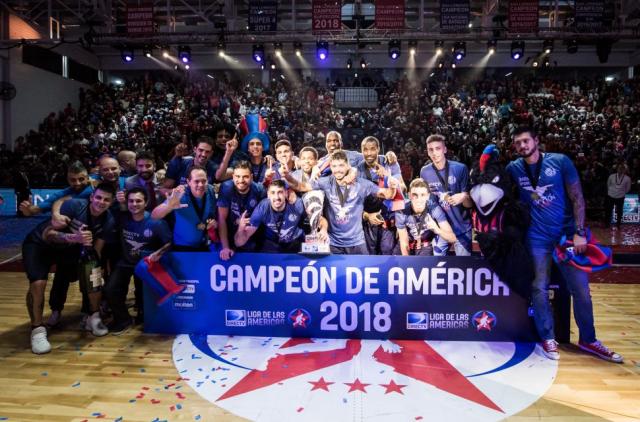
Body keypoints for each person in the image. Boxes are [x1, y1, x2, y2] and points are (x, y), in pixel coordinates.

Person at [507, 126, 623, 363]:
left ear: (536, 140)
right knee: (539, 288)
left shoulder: (560, 162)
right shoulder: (513, 168)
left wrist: (580, 232)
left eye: (526, 141)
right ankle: (548, 338)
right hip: (536, 239)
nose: (522, 146)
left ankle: (589, 339)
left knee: (581, 290)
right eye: (517, 143)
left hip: (566, 237)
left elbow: (577, 197)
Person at [24, 182, 116, 354]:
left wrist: (98, 272)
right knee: (38, 284)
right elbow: (48, 234)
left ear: (111, 203)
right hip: (39, 245)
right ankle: (37, 330)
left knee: (93, 272)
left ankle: (94, 317)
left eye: (106, 200)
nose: (101, 202)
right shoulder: (75, 206)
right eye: (98, 197)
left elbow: (96, 250)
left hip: (68, 250)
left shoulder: (109, 220)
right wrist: (74, 238)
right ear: (91, 197)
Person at [284, 150, 398, 255]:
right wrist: (287, 176)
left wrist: (392, 187)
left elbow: (388, 194)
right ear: (331, 167)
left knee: (363, 270)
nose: (337, 169)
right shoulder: (325, 183)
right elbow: (301, 186)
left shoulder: (362, 184)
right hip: (333, 243)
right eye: (334, 166)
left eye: (341, 165)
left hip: (357, 242)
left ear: (348, 166)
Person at [105, 187, 172, 334]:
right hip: (125, 262)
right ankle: (123, 319)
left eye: (138, 201)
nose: (134, 204)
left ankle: (142, 314)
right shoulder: (122, 218)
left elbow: (169, 243)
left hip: (145, 265)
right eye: (131, 201)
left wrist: (158, 253)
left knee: (143, 297)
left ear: (146, 202)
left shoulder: (156, 222)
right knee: (111, 289)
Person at [235, 180, 328, 253]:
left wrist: (323, 230)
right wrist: (240, 229)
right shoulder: (263, 207)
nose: (277, 197)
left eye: (280, 192)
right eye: (273, 193)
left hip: (294, 242)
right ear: (268, 195)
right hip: (271, 244)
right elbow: (239, 243)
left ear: (286, 193)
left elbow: (319, 219)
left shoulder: (297, 204)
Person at [419, 134, 473, 256]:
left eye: (438, 148)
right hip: (440, 227)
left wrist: (464, 196)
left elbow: (469, 204)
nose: (434, 153)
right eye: (431, 150)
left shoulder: (460, 169)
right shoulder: (424, 171)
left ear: (445, 149)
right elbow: (426, 200)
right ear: (427, 152)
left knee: (462, 265)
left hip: (461, 228)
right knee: (437, 264)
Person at [357, 136, 405, 255]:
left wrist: (388, 177)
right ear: (361, 151)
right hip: (369, 220)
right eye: (365, 149)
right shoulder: (358, 170)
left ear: (378, 149)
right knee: (370, 256)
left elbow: (403, 187)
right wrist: (366, 215)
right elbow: (354, 200)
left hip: (388, 220)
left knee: (387, 253)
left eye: (372, 149)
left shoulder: (389, 162)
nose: (369, 153)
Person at [152, 166, 217, 252]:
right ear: (188, 182)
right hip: (182, 247)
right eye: (196, 181)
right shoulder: (180, 194)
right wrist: (168, 206)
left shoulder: (210, 190)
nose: (201, 184)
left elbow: (212, 214)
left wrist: (213, 223)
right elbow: (154, 216)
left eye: (204, 181)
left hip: (204, 244)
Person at [217, 161, 266, 260]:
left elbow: (260, 222)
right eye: (238, 176)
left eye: (245, 177)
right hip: (229, 231)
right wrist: (225, 247)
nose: (241, 180)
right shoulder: (226, 188)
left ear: (251, 177)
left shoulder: (259, 190)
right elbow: (221, 218)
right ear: (233, 177)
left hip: (250, 234)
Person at [395, 179, 455, 256]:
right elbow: (404, 242)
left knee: (426, 258)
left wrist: (436, 229)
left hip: (425, 243)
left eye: (422, 195)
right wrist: (407, 261)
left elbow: (452, 238)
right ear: (409, 195)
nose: (419, 199)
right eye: (415, 195)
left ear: (428, 196)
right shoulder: (401, 211)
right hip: (409, 241)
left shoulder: (434, 209)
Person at [605, 164, 631, 228]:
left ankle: (618, 224)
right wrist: (611, 191)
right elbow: (608, 185)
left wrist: (622, 193)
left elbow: (628, 189)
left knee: (619, 211)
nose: (620, 170)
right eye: (619, 168)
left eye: (622, 168)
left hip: (620, 197)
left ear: (624, 170)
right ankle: (607, 224)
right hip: (611, 195)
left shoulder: (627, 178)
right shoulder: (611, 176)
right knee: (608, 210)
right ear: (617, 169)